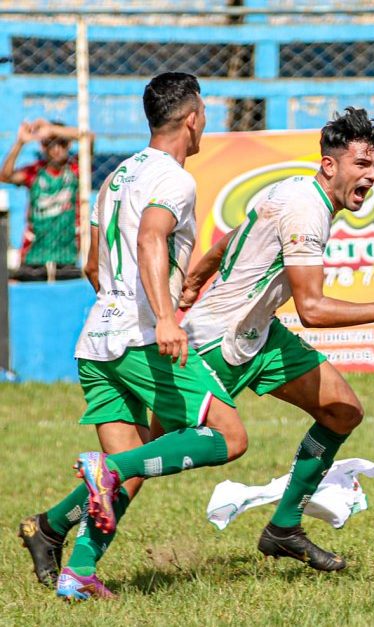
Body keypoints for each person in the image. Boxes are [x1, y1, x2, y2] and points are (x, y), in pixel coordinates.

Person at [17, 72, 252, 601]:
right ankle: (100, 477)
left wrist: (120, 303)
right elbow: (151, 238)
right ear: (193, 118)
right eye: (205, 114)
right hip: (141, 338)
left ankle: (63, 551)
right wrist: (164, 317)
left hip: (96, 338)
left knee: (132, 470)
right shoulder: (175, 180)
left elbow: (92, 263)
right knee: (230, 437)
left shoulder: (116, 176)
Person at [178, 107, 374, 571]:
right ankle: (54, 525)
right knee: (142, 447)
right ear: (330, 165)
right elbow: (312, 310)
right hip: (219, 341)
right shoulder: (306, 208)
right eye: (362, 165)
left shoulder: (295, 191)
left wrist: (197, 276)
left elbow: (233, 237)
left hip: (259, 335)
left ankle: (284, 528)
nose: (372, 176)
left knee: (341, 410)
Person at [1, 118, 94, 281]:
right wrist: (20, 143)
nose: (56, 149)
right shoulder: (35, 172)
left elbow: (89, 138)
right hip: (34, 255)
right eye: (49, 144)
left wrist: (52, 130)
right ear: (42, 147)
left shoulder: (75, 169)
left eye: (62, 143)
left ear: (69, 145)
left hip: (67, 255)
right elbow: (6, 175)